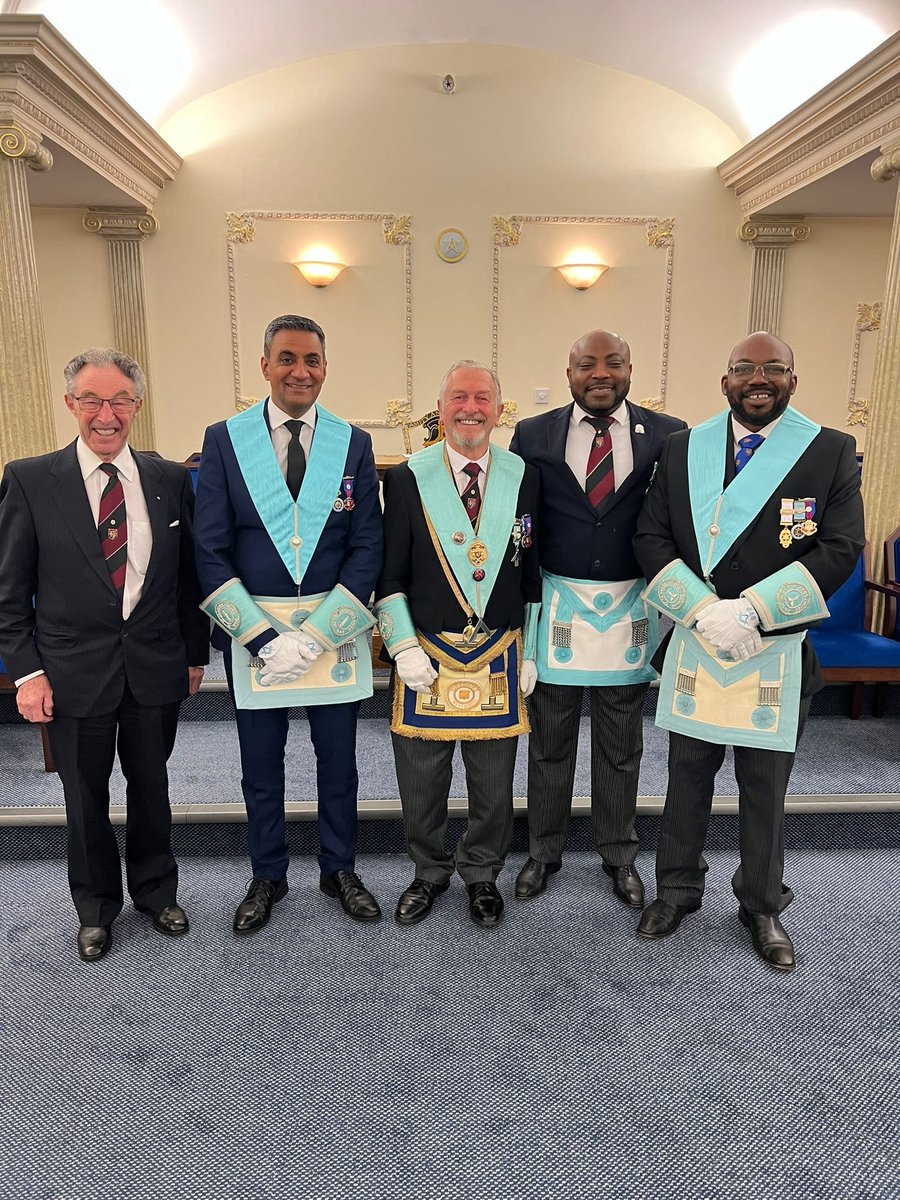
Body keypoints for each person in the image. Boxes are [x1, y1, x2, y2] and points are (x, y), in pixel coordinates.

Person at [633, 331, 864, 970]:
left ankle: (761, 904)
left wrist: (754, 611)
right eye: (745, 369)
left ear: (793, 379)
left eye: (773, 369)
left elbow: (841, 547)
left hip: (775, 650)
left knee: (766, 788)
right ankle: (676, 888)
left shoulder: (829, 452)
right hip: (700, 640)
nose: (758, 379)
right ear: (725, 380)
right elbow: (650, 537)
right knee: (686, 779)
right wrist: (706, 611)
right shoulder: (683, 448)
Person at [0, 347, 208, 962]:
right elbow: (9, 589)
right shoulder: (31, 479)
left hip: (154, 666)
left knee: (152, 785)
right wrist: (26, 672)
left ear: (137, 406)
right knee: (84, 797)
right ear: (71, 404)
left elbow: (189, 577)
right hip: (70, 674)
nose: (106, 413)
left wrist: (194, 654)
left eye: (119, 399)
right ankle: (94, 909)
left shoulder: (170, 478)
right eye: (91, 399)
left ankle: (155, 891)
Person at [194, 315, 383, 933]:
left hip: (332, 633)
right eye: (287, 358)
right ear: (265, 365)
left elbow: (365, 547)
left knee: (340, 763)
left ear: (325, 367)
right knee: (260, 765)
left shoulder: (351, 441)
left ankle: (340, 869)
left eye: (313, 360)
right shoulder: (226, 439)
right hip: (258, 637)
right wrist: (264, 639)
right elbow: (211, 549)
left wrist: (317, 634)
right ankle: (267, 874)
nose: (301, 371)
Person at [509, 330, 687, 907]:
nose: (600, 373)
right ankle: (543, 851)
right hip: (558, 605)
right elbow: (519, 523)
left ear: (632, 369)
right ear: (569, 373)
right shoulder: (532, 434)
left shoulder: (667, 434)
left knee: (620, 745)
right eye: (588, 364)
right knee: (550, 742)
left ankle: (619, 853)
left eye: (613, 363)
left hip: (630, 607)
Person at [374, 360, 540, 928]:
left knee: (493, 784)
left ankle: (481, 873)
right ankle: (428, 872)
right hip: (427, 653)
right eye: (458, 397)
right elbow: (388, 576)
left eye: (483, 397)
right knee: (422, 780)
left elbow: (533, 572)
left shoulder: (524, 476)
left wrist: (533, 649)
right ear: (440, 407)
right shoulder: (405, 477)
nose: (471, 407)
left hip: (499, 653)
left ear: (500, 408)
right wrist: (401, 647)